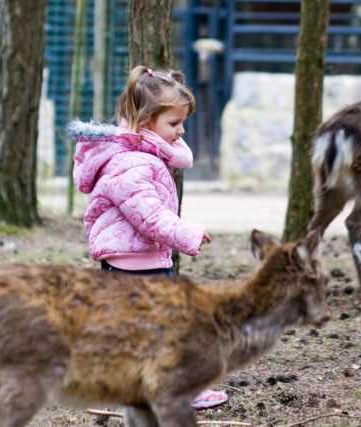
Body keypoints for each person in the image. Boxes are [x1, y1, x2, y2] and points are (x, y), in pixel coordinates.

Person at [66, 65, 228, 410]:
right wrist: (186, 233)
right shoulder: (131, 163)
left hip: (132, 260)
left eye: (183, 122)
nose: (181, 131)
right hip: (136, 262)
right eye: (174, 124)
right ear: (144, 121)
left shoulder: (140, 155)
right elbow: (149, 217)